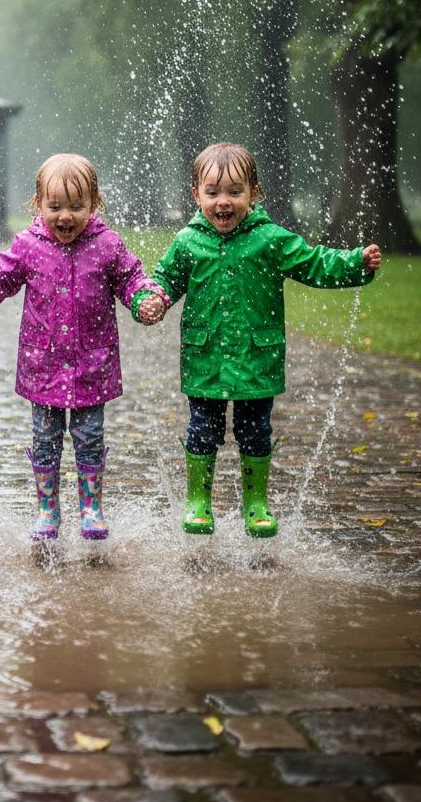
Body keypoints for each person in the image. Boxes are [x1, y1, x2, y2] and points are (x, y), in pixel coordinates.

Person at [153, 141, 382, 538]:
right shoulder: (188, 241)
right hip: (205, 357)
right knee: (202, 428)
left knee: (255, 430)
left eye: (234, 192)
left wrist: (354, 264)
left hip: (257, 358)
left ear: (254, 194)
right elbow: (164, 279)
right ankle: (198, 501)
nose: (223, 202)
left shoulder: (270, 239)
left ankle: (256, 502)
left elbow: (314, 263)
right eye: (213, 193)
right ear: (196, 195)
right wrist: (151, 298)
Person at [0, 153, 168, 542]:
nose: (65, 216)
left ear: (94, 204)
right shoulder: (29, 245)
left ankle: (91, 508)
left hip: (91, 365)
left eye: (76, 206)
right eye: (55, 207)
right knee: (45, 438)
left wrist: (143, 299)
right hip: (43, 364)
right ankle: (47, 510)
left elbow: (131, 279)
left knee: (90, 436)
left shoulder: (107, 245)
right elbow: (2, 276)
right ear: (38, 205)